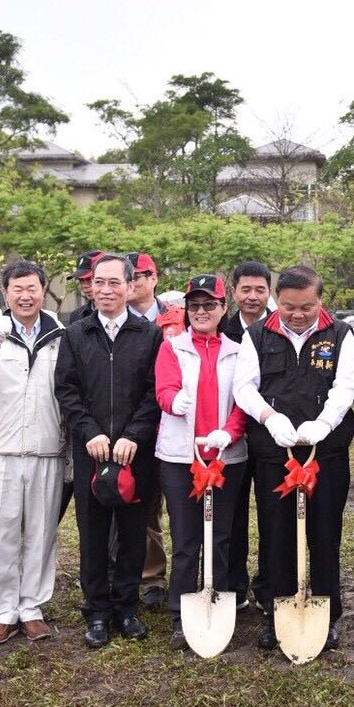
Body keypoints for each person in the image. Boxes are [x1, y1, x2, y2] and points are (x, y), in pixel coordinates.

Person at [233, 265, 354, 652]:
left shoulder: (339, 334)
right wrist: (269, 418)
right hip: (275, 454)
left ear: (320, 300)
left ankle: (327, 614)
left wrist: (325, 422)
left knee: (325, 532)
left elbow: (346, 384)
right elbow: (244, 387)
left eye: (307, 306)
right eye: (289, 307)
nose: (298, 315)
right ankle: (277, 611)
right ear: (278, 301)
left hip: (327, 451)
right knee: (276, 532)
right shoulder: (257, 335)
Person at [54, 252, 163, 649]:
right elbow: (66, 389)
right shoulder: (76, 333)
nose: (105, 290)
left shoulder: (149, 335)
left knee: (134, 533)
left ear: (131, 286)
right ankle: (97, 611)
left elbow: (155, 391)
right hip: (92, 451)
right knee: (93, 535)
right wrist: (90, 432)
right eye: (98, 282)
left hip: (136, 452)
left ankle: (127, 607)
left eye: (114, 282)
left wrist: (135, 433)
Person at [0, 260, 68, 645]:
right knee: (3, 532)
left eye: (32, 289)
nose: (26, 296)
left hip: (46, 448)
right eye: (17, 289)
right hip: (1, 450)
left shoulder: (60, 334)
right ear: (5, 293)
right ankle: (2, 611)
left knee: (41, 533)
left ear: (43, 291)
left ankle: (32, 608)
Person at [154, 275, 249, 650]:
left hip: (226, 456)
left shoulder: (238, 351)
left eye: (210, 305)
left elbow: (244, 399)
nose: (202, 312)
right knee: (186, 539)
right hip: (181, 456)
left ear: (224, 309)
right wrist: (173, 401)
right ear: (187, 310)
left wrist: (230, 431)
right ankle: (181, 615)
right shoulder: (173, 348)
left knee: (221, 536)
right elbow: (164, 387)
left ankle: (218, 605)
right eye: (195, 306)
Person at [221, 261, 272, 611]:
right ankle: (232, 586)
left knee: (273, 514)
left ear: (269, 291)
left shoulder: (282, 326)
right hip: (231, 437)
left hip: (273, 438)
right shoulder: (220, 329)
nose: (252, 297)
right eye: (245, 290)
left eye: (260, 289)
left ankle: (270, 585)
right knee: (231, 513)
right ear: (233, 291)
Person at [123, 251, 170, 610]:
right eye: (131, 275)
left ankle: (167, 576)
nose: (136, 281)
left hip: (175, 426)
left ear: (155, 278)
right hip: (130, 426)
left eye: (143, 274)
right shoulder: (104, 318)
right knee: (140, 503)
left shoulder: (178, 318)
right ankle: (145, 573)